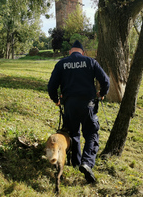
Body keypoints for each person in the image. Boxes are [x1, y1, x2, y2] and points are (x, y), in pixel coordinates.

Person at [48, 40, 110, 183]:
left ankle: (76, 163)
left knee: (73, 134)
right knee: (91, 134)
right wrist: (101, 94)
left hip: (69, 105)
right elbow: (105, 81)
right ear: (82, 52)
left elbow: (51, 86)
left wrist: (55, 99)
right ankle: (87, 163)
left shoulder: (61, 63)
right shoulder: (90, 62)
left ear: (70, 52)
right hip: (88, 104)